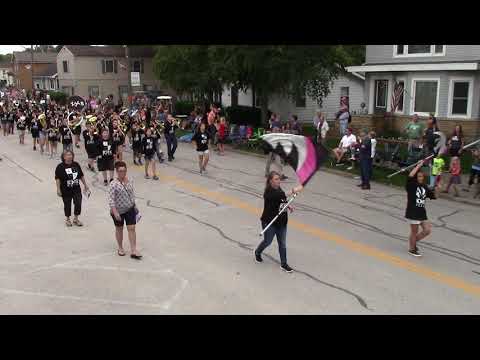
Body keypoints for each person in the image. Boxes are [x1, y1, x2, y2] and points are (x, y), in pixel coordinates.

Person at [254, 171, 304, 273]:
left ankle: (284, 264)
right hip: (270, 222)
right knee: (267, 241)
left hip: (282, 222)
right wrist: (294, 189)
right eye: (276, 179)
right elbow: (280, 195)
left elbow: (282, 198)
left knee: (282, 243)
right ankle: (257, 251)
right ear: (270, 181)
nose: (279, 181)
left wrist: (288, 205)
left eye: (279, 179)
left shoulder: (278, 188)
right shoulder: (268, 192)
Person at [108, 161, 142, 260]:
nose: (122, 173)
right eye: (120, 171)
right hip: (118, 210)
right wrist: (115, 212)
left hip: (129, 208)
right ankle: (120, 247)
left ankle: (133, 250)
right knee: (119, 228)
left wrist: (134, 205)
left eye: (124, 171)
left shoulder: (130, 180)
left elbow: (131, 194)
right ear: (117, 172)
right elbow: (111, 200)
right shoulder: (113, 184)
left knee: (132, 228)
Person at [405, 160, 435, 257]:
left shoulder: (424, 186)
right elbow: (410, 176)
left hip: (422, 213)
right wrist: (418, 165)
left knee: (427, 230)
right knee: (414, 232)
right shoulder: (411, 185)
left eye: (422, 176)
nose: (420, 178)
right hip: (413, 212)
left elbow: (434, 196)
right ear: (415, 177)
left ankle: (413, 242)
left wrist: (439, 189)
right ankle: (412, 249)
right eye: (418, 176)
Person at [55, 150, 90, 227]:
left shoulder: (76, 164)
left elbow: (81, 175)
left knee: (78, 202)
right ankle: (67, 219)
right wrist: (58, 189)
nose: (69, 156)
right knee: (67, 204)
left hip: (76, 189)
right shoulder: (60, 167)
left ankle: (76, 219)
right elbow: (58, 178)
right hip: (65, 190)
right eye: (67, 155)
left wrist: (85, 185)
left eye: (71, 154)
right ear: (64, 157)